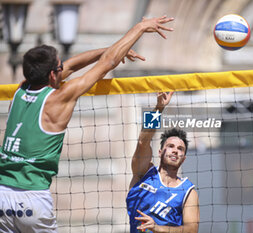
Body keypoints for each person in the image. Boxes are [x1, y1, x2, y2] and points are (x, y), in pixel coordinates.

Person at [0, 15, 174, 233]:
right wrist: (140, 27)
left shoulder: (20, 89)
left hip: (3, 194)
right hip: (32, 198)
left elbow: (74, 66)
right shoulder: (58, 98)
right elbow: (107, 64)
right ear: (53, 75)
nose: (64, 67)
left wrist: (113, 49)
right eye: (59, 66)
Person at [126, 92, 199, 233]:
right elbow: (142, 142)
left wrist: (157, 228)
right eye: (170, 146)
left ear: (183, 158)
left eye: (180, 149)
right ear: (160, 152)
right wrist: (159, 108)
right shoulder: (144, 173)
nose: (175, 151)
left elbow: (192, 229)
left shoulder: (188, 191)